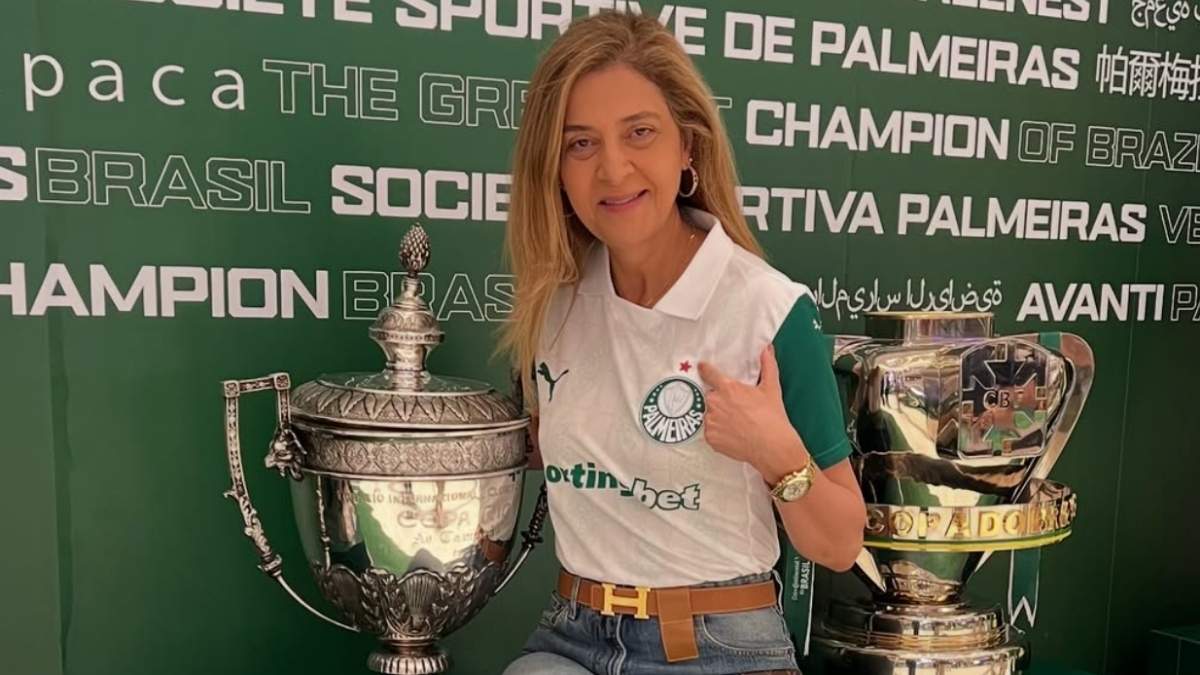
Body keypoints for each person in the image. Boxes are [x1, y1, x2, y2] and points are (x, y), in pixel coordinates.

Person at [495, 10, 867, 675]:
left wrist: (777, 453)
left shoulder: (765, 310)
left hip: (719, 644)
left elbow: (840, 541)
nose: (613, 167)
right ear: (553, 167)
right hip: (572, 636)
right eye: (580, 143)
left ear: (686, 146)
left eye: (640, 132)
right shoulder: (554, 304)